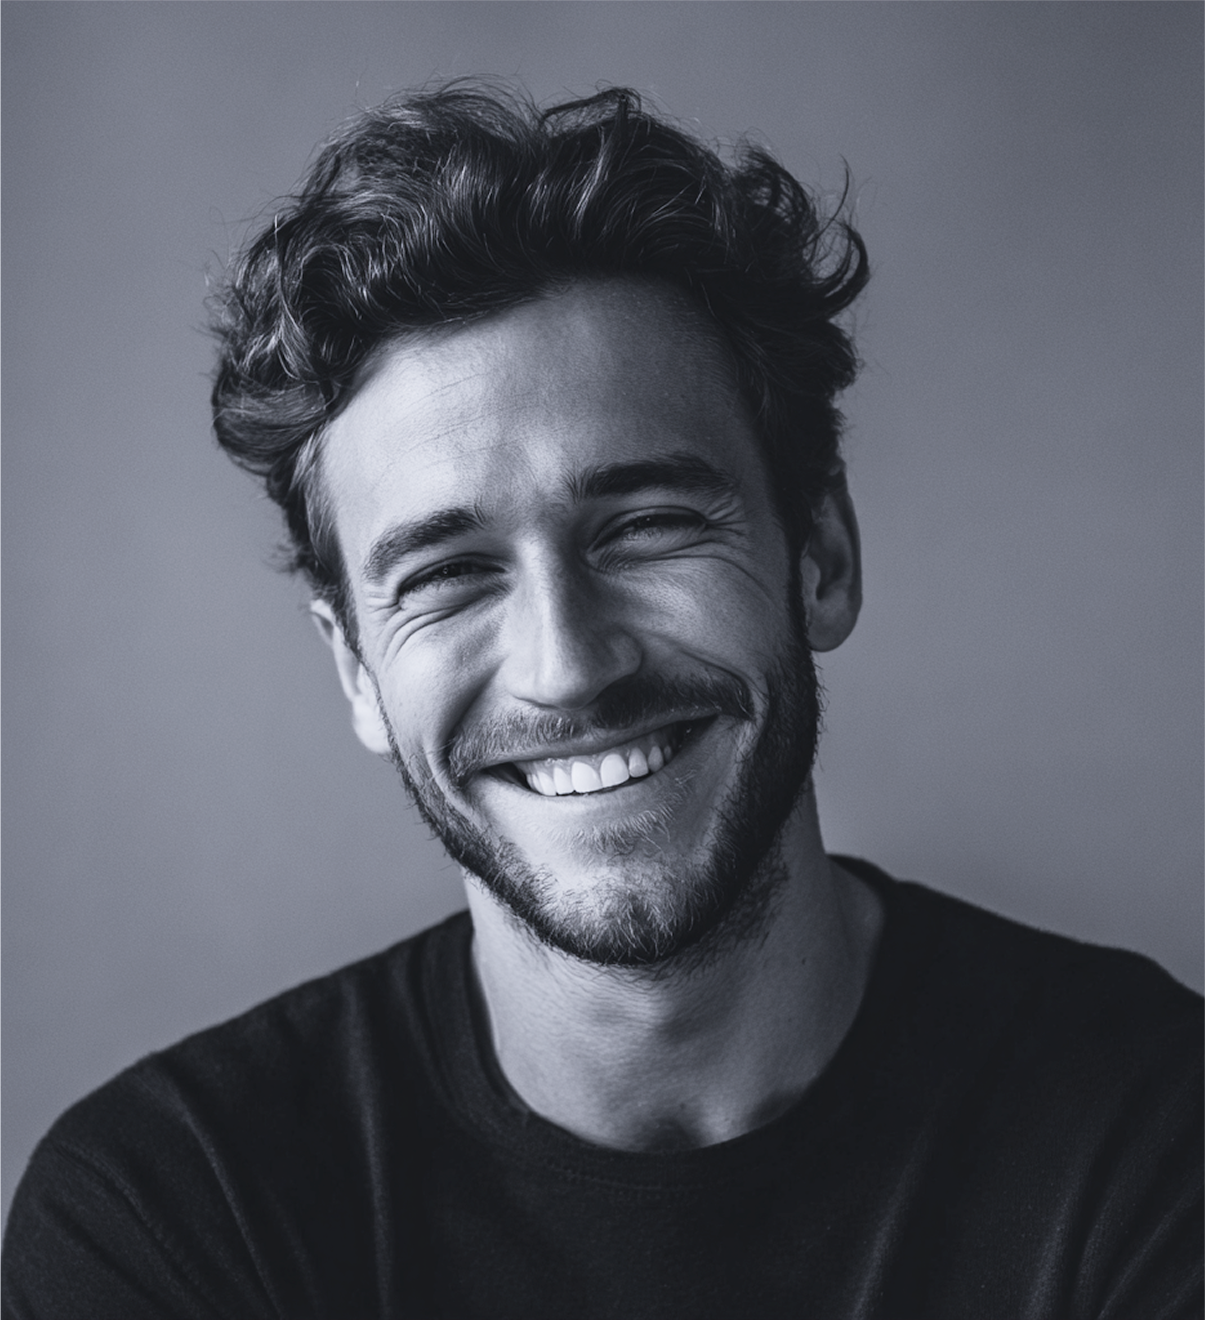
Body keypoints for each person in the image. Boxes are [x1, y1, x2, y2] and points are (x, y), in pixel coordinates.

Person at [3, 84, 1203, 1320]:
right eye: (447, 576)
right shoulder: (176, 1212)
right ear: (355, 668)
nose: (566, 667)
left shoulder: (1155, 1137)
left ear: (821, 557)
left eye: (644, 526)